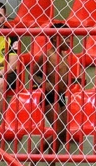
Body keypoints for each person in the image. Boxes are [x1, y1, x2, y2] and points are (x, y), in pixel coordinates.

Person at [32, 22, 82, 154]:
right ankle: (34, 155)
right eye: (66, 38)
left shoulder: (65, 56)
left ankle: (50, 161)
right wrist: (44, 83)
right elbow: (34, 74)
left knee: (63, 132)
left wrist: (75, 80)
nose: (69, 41)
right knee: (59, 130)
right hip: (49, 96)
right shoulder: (47, 55)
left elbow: (62, 78)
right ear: (55, 38)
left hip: (60, 96)